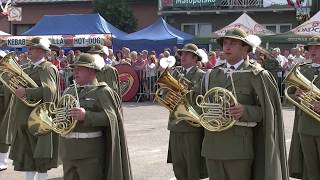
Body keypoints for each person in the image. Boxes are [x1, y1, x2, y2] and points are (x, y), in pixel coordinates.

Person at [201, 28, 288, 180]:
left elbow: (269, 112)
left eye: (233, 43)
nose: (227, 47)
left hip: (239, 148)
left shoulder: (257, 75)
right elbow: (200, 106)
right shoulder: (212, 74)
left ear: (246, 48)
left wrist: (245, 111)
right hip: (212, 146)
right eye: (225, 43)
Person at [60, 53, 132, 180]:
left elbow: (112, 118)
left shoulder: (102, 91)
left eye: (79, 69)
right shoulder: (69, 90)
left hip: (90, 153)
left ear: (91, 71)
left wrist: (86, 116)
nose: (75, 72)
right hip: (68, 151)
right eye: (74, 69)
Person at [7, 37, 59, 180]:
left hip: (39, 118)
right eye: (29, 48)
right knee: (28, 154)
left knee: (41, 154)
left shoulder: (47, 68)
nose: (28, 51)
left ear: (43, 51)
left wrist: (27, 92)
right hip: (25, 117)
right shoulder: (28, 67)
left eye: (33, 48)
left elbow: (50, 91)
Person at [166, 43, 207, 180]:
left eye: (187, 54)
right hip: (175, 126)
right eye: (182, 54)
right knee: (178, 166)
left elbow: (203, 100)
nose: (182, 56)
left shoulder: (202, 76)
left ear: (195, 58)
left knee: (193, 166)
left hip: (191, 127)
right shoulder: (174, 74)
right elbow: (166, 95)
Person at [289, 35, 320, 180]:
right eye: (310, 48)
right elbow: (289, 94)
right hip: (305, 125)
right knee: (310, 168)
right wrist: (297, 94)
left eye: (317, 48)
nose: (313, 51)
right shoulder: (302, 69)